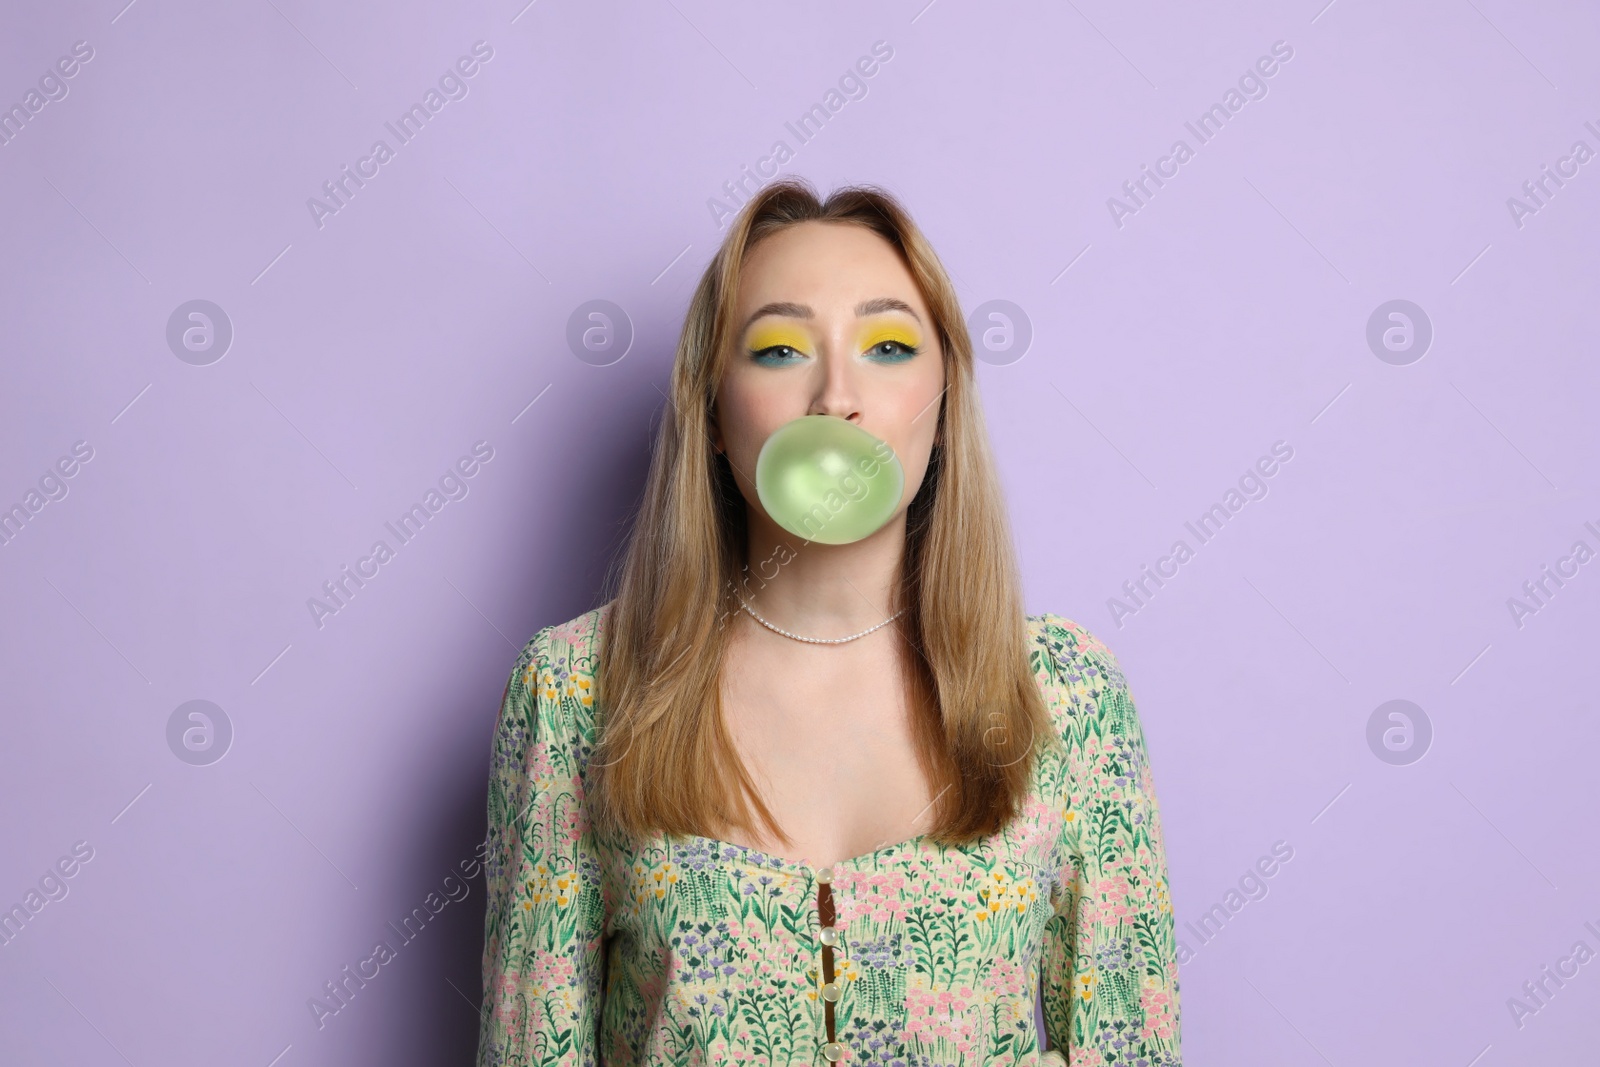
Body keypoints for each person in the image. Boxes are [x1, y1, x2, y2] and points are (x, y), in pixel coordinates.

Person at [476, 177, 1182, 1066]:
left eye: (887, 345)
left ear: (945, 401)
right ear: (714, 415)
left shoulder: (1067, 697)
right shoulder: (578, 689)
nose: (835, 396)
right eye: (777, 351)